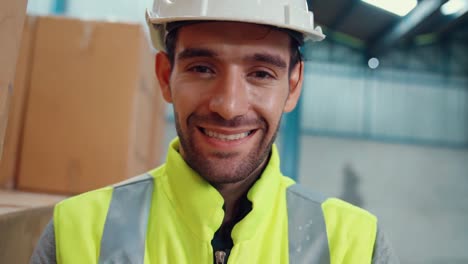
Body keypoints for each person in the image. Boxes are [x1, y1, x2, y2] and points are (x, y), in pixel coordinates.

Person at [31, 0, 399, 263]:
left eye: (261, 74)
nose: (229, 105)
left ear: (294, 85)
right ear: (164, 76)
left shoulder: (355, 244)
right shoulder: (78, 232)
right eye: (203, 68)